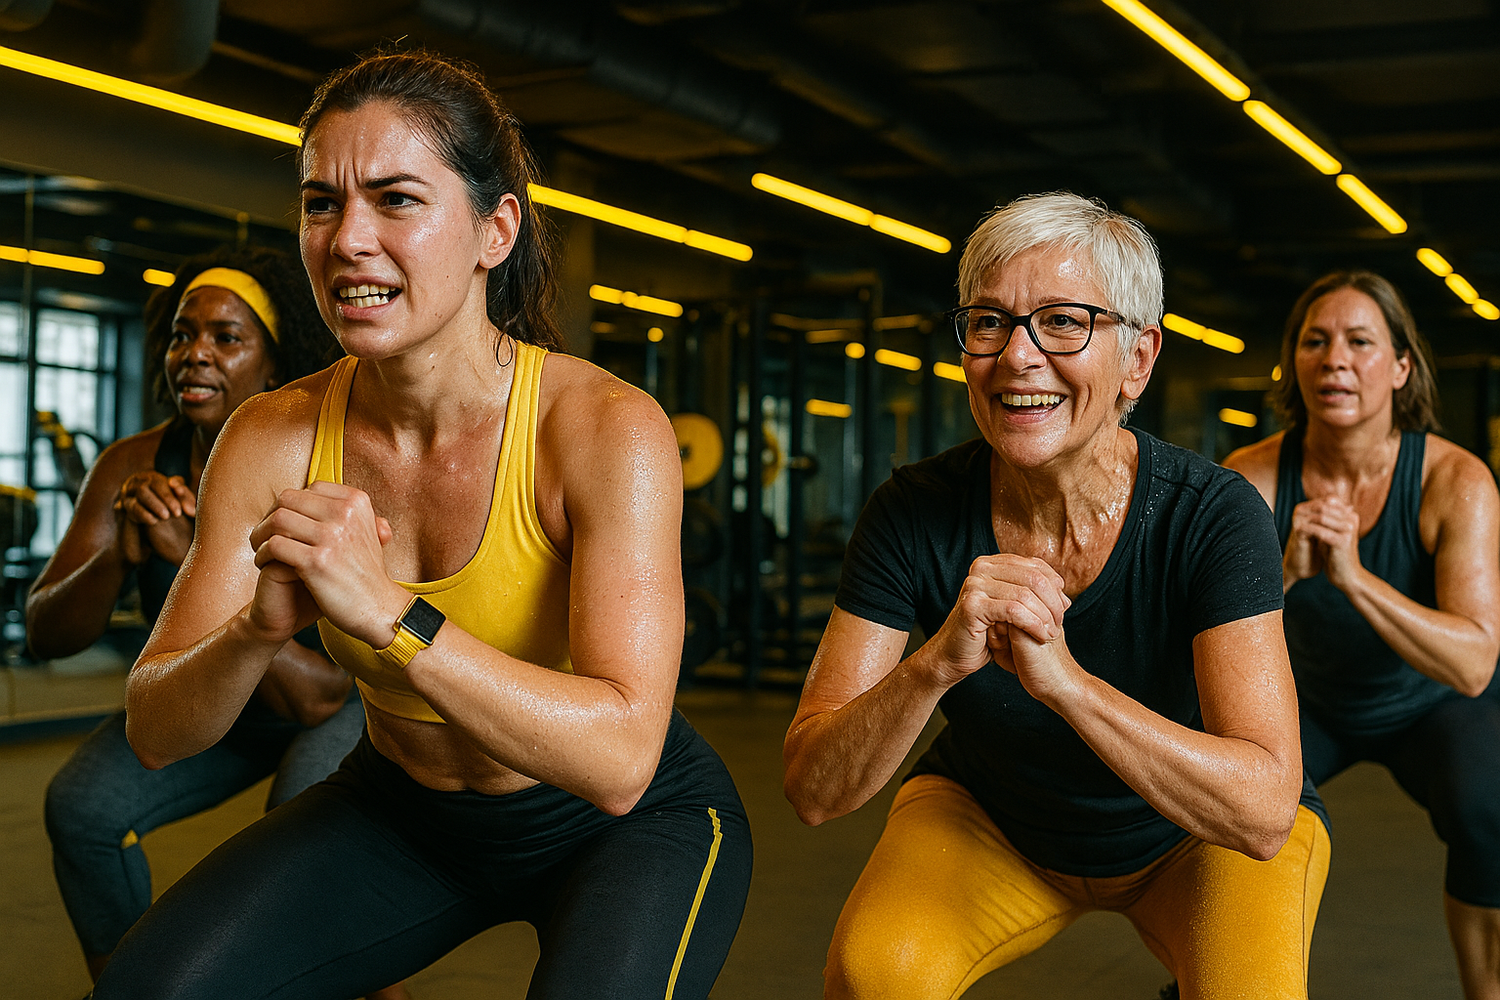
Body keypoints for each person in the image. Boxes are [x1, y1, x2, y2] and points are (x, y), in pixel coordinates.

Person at [91, 49, 751, 1000]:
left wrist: (391, 615)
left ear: (495, 229)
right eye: (322, 202)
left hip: (632, 825)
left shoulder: (603, 429)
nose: (348, 237)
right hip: (403, 810)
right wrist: (259, 628)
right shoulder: (272, 435)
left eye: (397, 199)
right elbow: (156, 730)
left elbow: (618, 760)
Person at [784, 192, 1329, 1000]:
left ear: (1138, 360)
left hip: (1191, 836)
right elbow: (814, 788)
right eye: (990, 321)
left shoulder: (1211, 513)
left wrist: (1067, 686)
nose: (1018, 356)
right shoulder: (913, 511)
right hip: (997, 819)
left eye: (1065, 322)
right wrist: (935, 664)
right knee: (876, 976)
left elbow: (1260, 811)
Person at [25, 247, 408, 997]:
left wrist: (188, 554)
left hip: (329, 705)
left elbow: (322, 697)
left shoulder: (317, 458)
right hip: (218, 706)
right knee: (81, 809)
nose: (195, 353)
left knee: (304, 823)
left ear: (272, 363)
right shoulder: (134, 463)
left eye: (226, 337)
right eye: (181, 334)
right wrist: (119, 554)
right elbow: (46, 633)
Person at [1224, 271, 1500, 1000]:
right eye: (1314, 341)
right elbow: (1209, 638)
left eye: (1359, 341)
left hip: (1432, 701)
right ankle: (1215, 978)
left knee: (1490, 805)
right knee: (1225, 809)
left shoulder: (1455, 480)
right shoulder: (1250, 482)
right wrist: (1282, 573)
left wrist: (1353, 578)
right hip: (1308, 696)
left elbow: (1473, 663)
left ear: (1401, 367)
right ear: (1295, 365)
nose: (1334, 358)